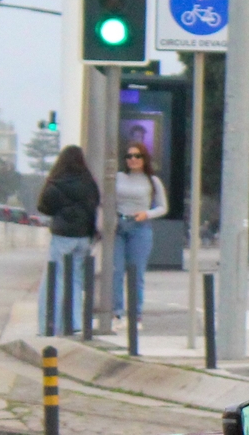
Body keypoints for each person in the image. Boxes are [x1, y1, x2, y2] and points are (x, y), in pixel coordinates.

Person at [35, 145, 99, 336]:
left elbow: (43, 206)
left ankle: (50, 325)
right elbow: (94, 205)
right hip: (83, 237)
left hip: (62, 236)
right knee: (76, 280)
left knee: (55, 280)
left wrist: (62, 211)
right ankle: (75, 323)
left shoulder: (56, 181)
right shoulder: (89, 182)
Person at [110, 141, 169, 326]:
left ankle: (136, 315)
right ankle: (117, 313)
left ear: (144, 158)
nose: (133, 159)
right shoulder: (118, 177)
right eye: (129, 156)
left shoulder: (152, 181)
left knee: (136, 273)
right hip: (118, 226)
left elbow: (163, 207)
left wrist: (147, 214)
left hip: (140, 227)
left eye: (137, 156)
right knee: (116, 271)